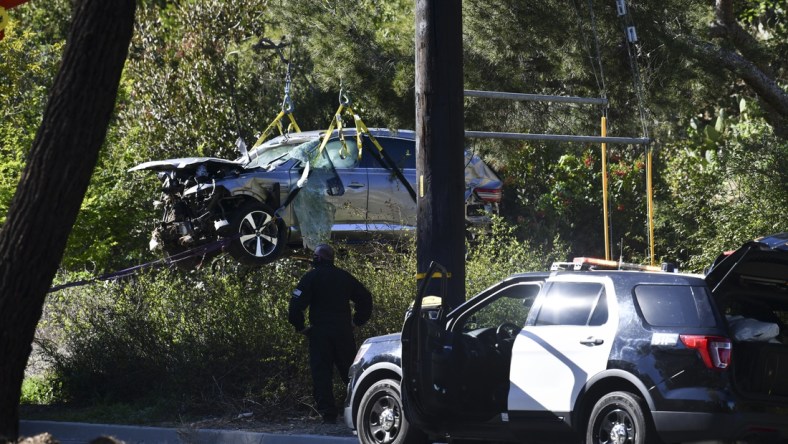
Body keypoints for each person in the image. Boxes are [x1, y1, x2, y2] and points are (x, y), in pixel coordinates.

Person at [288, 243, 373, 424]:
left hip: (320, 333)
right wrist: (357, 321)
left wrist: (300, 327)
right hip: (343, 333)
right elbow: (366, 297)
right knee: (350, 374)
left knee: (322, 374)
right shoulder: (344, 277)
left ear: (318, 258)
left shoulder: (311, 277)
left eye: (315, 256)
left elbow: (295, 306)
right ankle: (361, 409)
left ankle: (328, 415)